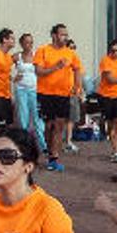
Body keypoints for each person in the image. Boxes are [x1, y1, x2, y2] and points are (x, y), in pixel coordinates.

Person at [34, 24, 85, 171]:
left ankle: (54, 158)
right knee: (49, 125)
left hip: (63, 94)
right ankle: (48, 150)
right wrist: (55, 67)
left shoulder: (70, 53)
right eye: (62, 34)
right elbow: (39, 71)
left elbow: (77, 69)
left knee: (59, 124)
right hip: (45, 93)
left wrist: (77, 86)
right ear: (54, 35)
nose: (65, 37)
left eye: (66, 35)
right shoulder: (43, 50)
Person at [13, 33, 47, 153]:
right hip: (21, 90)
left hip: (34, 90)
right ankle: (25, 146)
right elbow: (3, 69)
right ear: (21, 44)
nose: (29, 45)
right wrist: (12, 78)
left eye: (31, 42)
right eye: (27, 42)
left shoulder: (36, 55)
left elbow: (43, 70)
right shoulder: (17, 56)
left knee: (38, 119)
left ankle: (44, 146)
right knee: (23, 119)